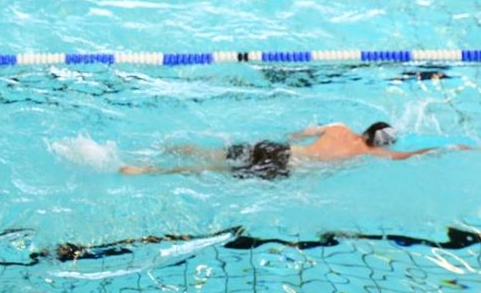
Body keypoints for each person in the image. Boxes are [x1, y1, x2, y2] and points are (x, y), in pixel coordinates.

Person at [119, 122, 473, 179]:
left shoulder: (338, 126)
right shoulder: (367, 153)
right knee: (209, 173)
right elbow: (407, 157)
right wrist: (450, 146)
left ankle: (169, 146)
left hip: (275, 146)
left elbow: (299, 132)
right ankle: (147, 171)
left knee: (212, 156)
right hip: (282, 165)